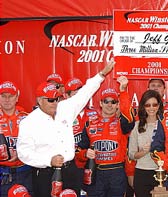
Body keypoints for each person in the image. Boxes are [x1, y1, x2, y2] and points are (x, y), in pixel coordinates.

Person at [16, 59, 115, 197]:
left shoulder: (65, 108)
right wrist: (48, 160)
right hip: (46, 175)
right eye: (50, 100)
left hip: (70, 171)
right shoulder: (29, 122)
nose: (54, 103)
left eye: (56, 98)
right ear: (39, 100)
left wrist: (102, 74)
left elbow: (84, 93)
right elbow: (23, 152)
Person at [77, 75, 135, 197]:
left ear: (117, 104)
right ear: (101, 103)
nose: (110, 105)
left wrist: (123, 91)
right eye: (106, 101)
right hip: (96, 172)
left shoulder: (122, 123)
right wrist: (85, 153)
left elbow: (129, 118)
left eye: (113, 102)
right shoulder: (89, 124)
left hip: (117, 172)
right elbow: (79, 150)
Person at [128, 90, 163, 197]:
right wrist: (145, 151)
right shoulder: (137, 126)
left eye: (154, 104)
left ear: (159, 106)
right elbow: (131, 155)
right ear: (143, 106)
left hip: (162, 173)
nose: (151, 108)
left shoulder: (165, 125)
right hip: (142, 173)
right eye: (148, 105)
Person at [0, 81, 32, 196]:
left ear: (17, 97)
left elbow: (37, 144)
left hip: (25, 172)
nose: (7, 99)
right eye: (3, 96)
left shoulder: (27, 117)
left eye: (10, 96)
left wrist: (21, 153)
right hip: (2, 174)